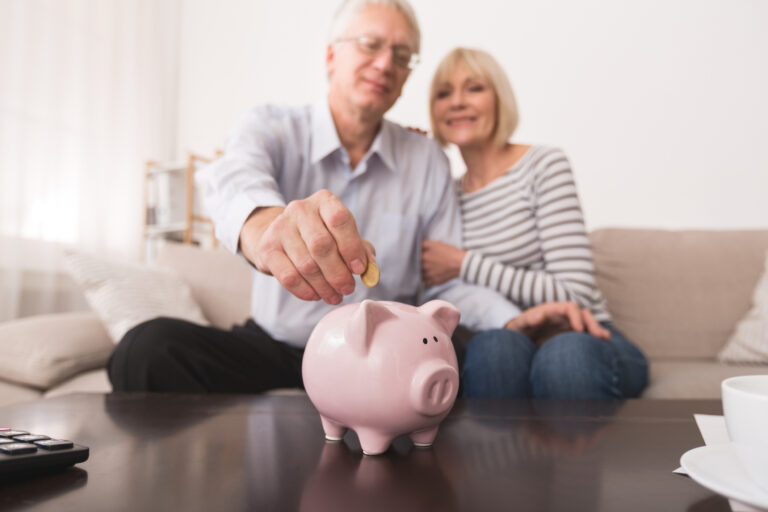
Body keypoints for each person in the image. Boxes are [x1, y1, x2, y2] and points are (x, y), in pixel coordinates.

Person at [107, 1, 525, 393]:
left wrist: (511, 319)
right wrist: (263, 225)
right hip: (278, 347)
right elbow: (233, 174)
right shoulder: (274, 126)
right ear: (331, 56)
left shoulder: (427, 159)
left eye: (401, 56)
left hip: (386, 358)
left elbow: (447, 286)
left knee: (482, 357)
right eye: (371, 45)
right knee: (143, 350)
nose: (385, 63)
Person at [421, 47, 648, 399]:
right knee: (492, 349)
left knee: (563, 357)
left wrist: (464, 263)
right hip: (509, 333)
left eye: (474, 88)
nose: (457, 102)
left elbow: (575, 291)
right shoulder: (445, 194)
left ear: (500, 97)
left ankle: (574, 456)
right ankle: (499, 457)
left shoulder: (543, 165)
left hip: (582, 335)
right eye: (443, 93)